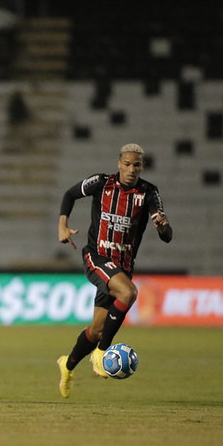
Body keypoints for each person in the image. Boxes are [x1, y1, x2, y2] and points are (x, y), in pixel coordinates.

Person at [56, 143, 172, 398]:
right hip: (96, 256)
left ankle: (68, 364)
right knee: (129, 293)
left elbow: (166, 236)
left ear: (142, 167)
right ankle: (102, 352)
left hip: (122, 266)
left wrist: (163, 227)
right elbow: (69, 194)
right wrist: (62, 225)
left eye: (137, 165)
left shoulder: (149, 193)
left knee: (96, 329)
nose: (132, 169)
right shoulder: (101, 183)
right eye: (128, 164)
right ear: (119, 163)